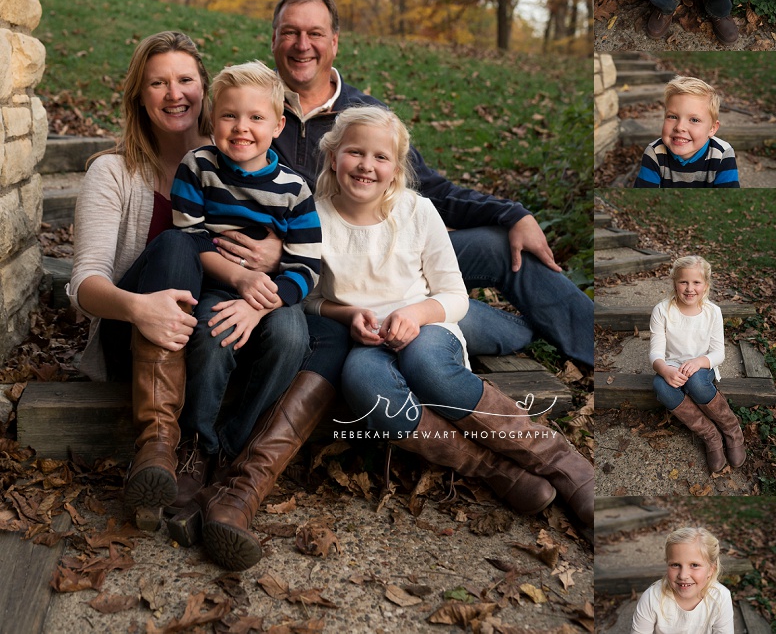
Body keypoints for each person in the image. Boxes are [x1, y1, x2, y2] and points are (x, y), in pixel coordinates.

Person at [198, 107, 593, 571]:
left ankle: (565, 466)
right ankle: (493, 470)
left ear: (397, 168)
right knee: (364, 387)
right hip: (365, 343)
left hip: (425, 325)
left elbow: (453, 295)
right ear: (332, 157)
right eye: (355, 152)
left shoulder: (415, 211)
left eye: (380, 157)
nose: (367, 165)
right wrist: (348, 316)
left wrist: (415, 313)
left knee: (427, 365)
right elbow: (307, 298)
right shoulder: (312, 218)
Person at [209, 0, 593, 367]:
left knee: (500, 243)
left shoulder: (364, 112)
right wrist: (291, 255)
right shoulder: (250, 113)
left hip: (389, 255)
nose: (302, 44)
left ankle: (594, 345)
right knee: (436, 321)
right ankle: (494, 325)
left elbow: (428, 187)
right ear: (274, 38)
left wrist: (512, 213)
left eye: (315, 33)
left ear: (335, 42)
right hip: (326, 281)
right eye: (290, 32)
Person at [68, 31, 211, 514]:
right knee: (176, 244)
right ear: (138, 96)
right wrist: (138, 307)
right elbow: (84, 284)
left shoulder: (235, 162)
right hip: (129, 333)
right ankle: (157, 443)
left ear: (204, 88)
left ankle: (175, 449)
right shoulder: (112, 172)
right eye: (157, 83)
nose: (175, 94)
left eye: (185, 79)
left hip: (211, 333)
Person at [169, 62, 321, 502]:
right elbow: (189, 238)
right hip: (215, 281)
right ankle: (197, 444)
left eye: (256, 118)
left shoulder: (295, 190)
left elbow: (306, 266)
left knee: (292, 339)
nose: (241, 128)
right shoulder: (197, 166)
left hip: (272, 294)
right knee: (212, 333)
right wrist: (237, 277)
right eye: (229, 115)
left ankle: (236, 445)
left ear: (278, 124)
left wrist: (259, 303)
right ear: (212, 119)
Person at [650, 256, 746, 473]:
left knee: (697, 383)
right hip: (673, 365)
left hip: (703, 366)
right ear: (675, 282)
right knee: (660, 386)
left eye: (696, 283)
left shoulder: (712, 312)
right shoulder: (662, 310)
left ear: (706, 285)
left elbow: (718, 353)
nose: (689, 288)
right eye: (684, 282)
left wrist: (698, 362)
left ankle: (731, 430)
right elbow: (656, 352)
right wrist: (664, 369)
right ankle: (711, 436)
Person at [633, 76, 740, 188]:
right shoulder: (654, 153)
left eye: (694, 120)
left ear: (712, 128)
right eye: (673, 116)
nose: (679, 127)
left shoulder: (723, 154)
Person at [631, 527, 734, 633]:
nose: (683, 575)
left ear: (711, 569)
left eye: (694, 565)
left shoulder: (720, 598)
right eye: (675, 565)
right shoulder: (651, 598)